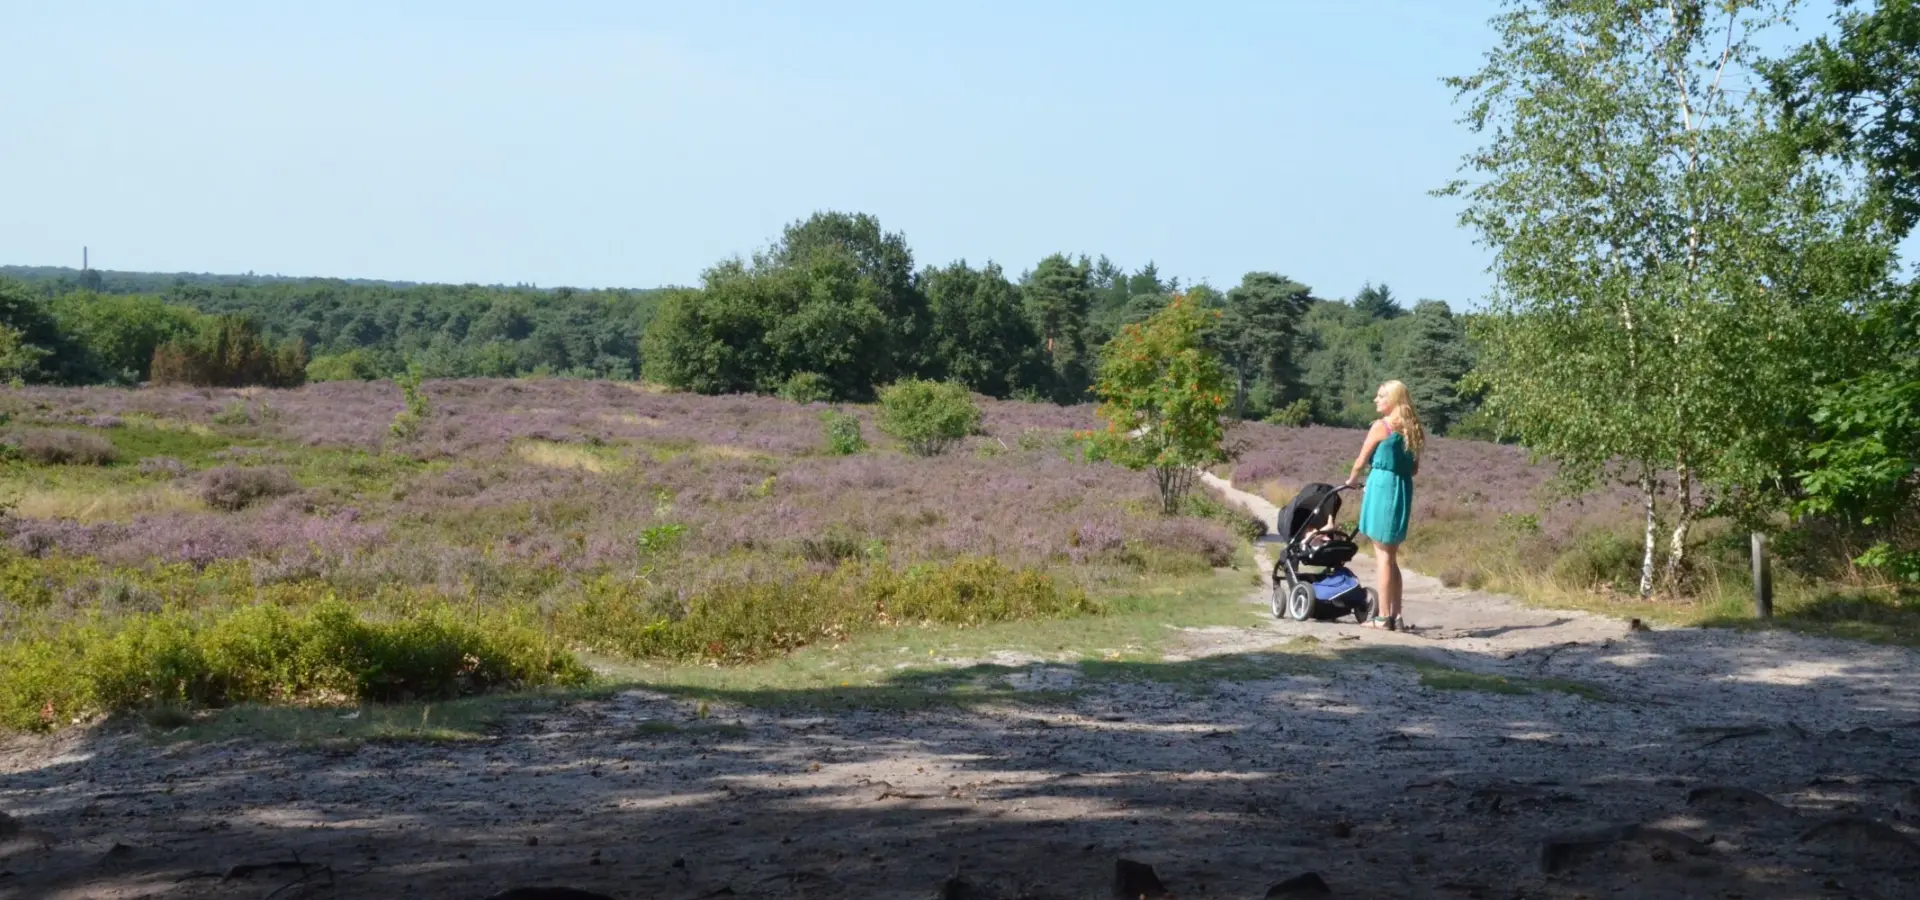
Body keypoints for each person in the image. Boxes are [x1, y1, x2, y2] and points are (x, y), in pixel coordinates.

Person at [1344, 380, 1423, 631]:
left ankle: (1383, 617)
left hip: (1382, 487)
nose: (1376, 400)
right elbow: (1414, 468)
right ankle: (1396, 616)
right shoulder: (1413, 429)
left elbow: (1360, 460)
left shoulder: (1382, 427)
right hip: (1401, 488)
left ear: (1393, 400)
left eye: (1381, 397)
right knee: (1391, 556)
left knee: (1383, 556)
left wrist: (1352, 481)